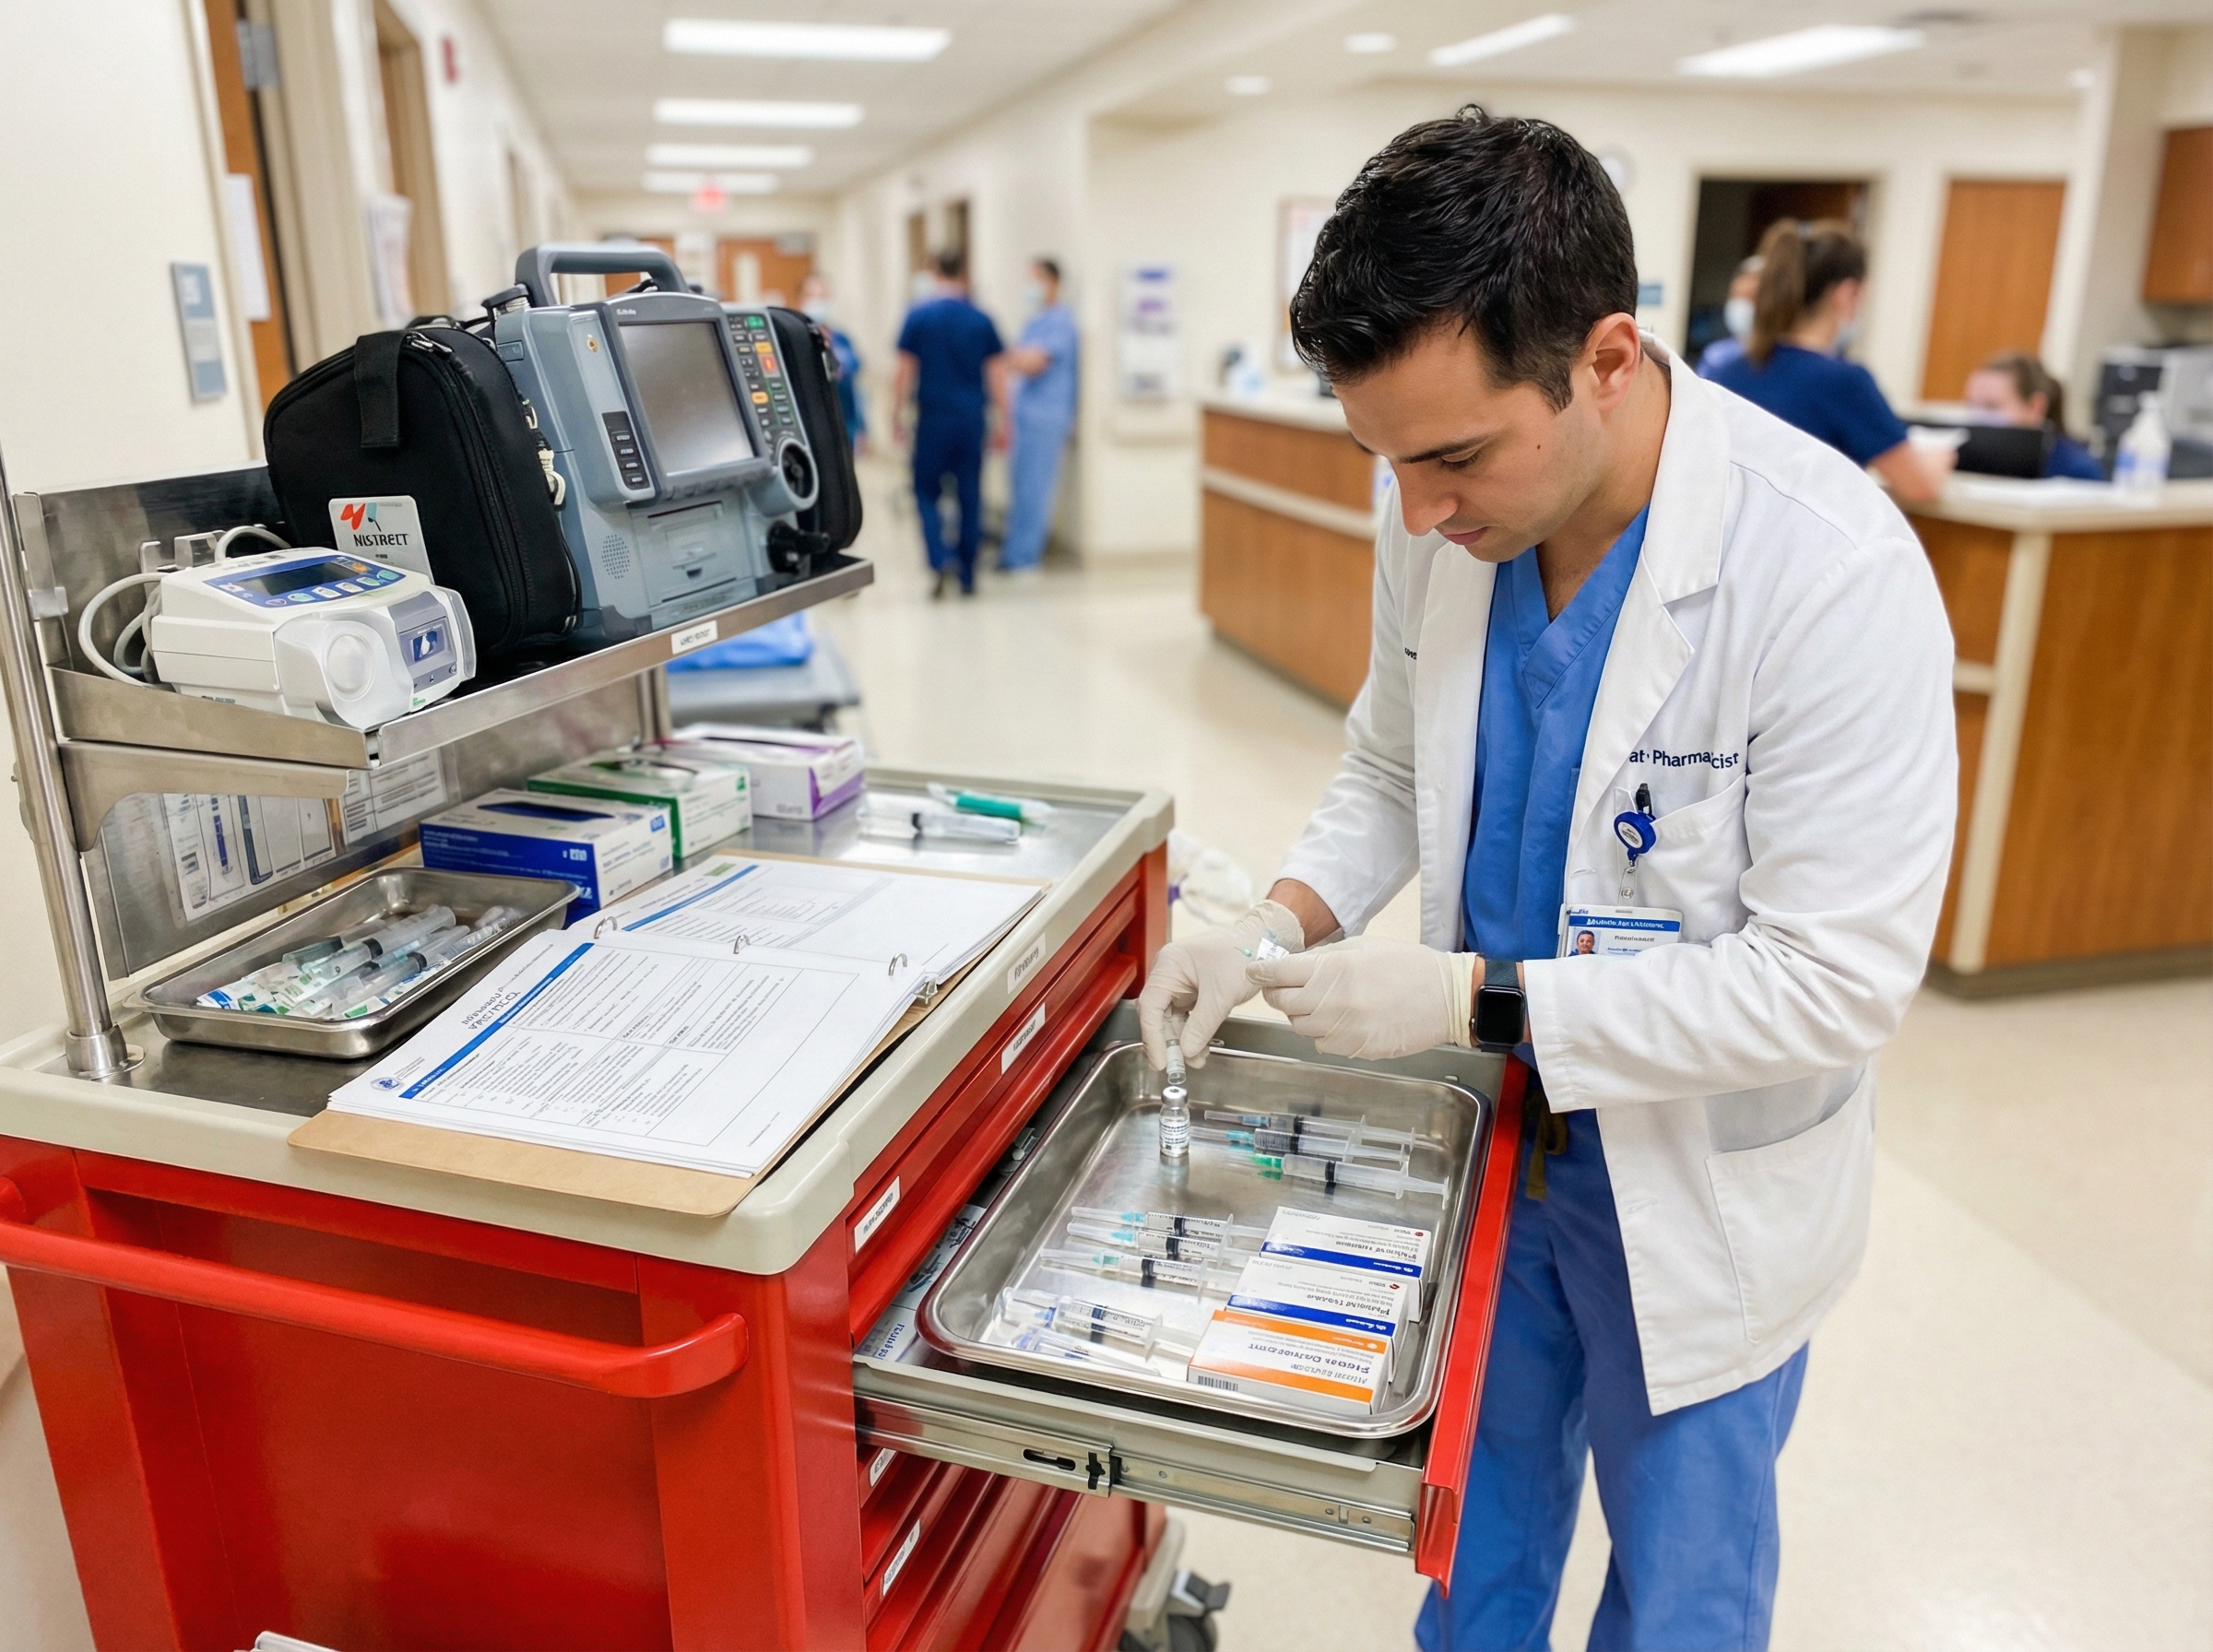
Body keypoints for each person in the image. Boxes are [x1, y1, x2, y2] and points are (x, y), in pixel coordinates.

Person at [1135, 106, 1955, 1650]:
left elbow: (1835, 981)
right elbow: (1391, 770)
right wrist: (1268, 923)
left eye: (1453, 455)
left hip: (1701, 1185)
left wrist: (1474, 997)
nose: (1417, 512)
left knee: (1682, 1596)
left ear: (1608, 358)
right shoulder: (1441, 518)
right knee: (1479, 1546)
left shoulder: (1827, 570)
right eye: (1386, 460)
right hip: (1501, 1161)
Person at [1711, 218, 1954, 503]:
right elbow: (1918, 487)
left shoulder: (1723, 365)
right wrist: (1941, 458)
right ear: (1847, 293)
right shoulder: (1842, 381)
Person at [893, 249, 1009, 597]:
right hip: (971, 419)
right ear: (965, 274)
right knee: (969, 494)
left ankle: (941, 557)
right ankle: (969, 575)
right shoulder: (981, 319)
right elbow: (997, 374)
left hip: (933, 418)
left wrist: (895, 415)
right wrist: (1004, 421)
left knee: (925, 490)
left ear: (933, 273)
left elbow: (904, 370)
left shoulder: (919, 316)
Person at [1000, 257, 1080, 572]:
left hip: (1045, 418)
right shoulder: (1036, 321)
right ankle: (1014, 551)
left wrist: (1008, 357)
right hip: (1025, 416)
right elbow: (1016, 359)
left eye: (1036, 279)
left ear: (1053, 282)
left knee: (1034, 489)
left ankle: (1024, 557)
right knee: (1020, 488)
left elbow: (1033, 363)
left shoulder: (1060, 321)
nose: (1030, 287)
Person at [1965, 351, 2106, 480]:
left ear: (2036, 407)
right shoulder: (1972, 458)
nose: (1978, 417)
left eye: (1992, 406)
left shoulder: (2077, 470)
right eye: (1972, 405)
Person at [799, 272, 868, 454]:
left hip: (844, 428)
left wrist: (863, 429)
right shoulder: (795, 340)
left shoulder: (842, 340)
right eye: (812, 296)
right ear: (801, 300)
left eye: (822, 296)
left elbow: (854, 387)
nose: (818, 302)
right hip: (810, 433)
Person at [1695, 254, 1762, 379]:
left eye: (1749, 297)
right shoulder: (1716, 359)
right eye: (1736, 296)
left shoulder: (1789, 361)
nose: (1741, 305)